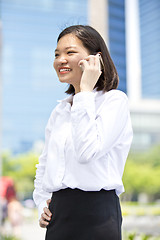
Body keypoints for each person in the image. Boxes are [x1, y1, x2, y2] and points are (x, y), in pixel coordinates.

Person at [33, 25, 133, 240]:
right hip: (59, 214)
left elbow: (87, 152)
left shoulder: (114, 101)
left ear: (95, 59)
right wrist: (42, 203)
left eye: (69, 52)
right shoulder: (60, 111)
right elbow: (45, 164)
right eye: (57, 54)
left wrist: (85, 92)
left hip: (97, 214)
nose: (60, 60)